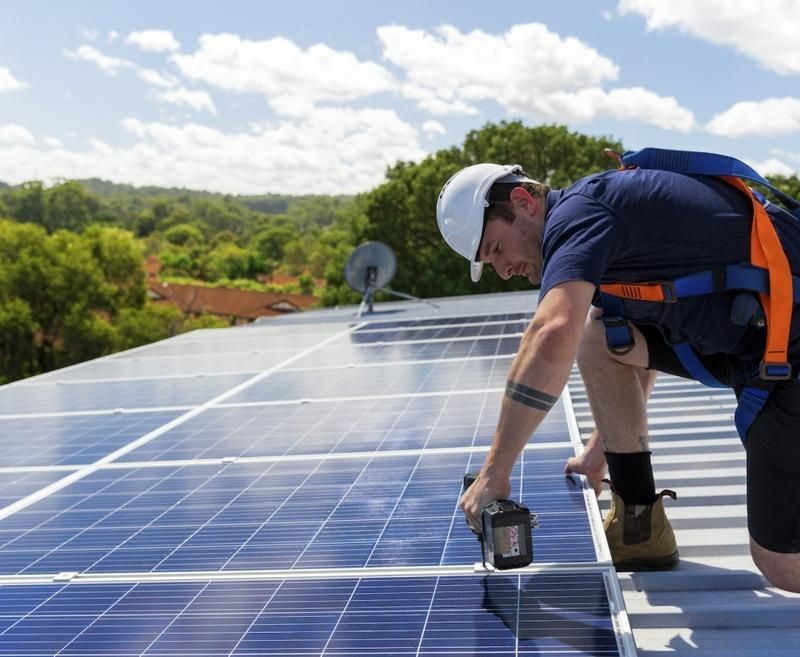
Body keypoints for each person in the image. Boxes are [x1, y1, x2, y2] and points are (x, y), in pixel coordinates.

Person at [435, 156, 800, 592]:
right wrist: (601, 452)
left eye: (496, 249)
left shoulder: (580, 216)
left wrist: (495, 472)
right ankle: (639, 523)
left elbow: (550, 333)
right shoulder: (599, 230)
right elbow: (633, 334)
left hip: (787, 349)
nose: (504, 269)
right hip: (750, 346)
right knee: (601, 331)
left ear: (523, 201)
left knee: (781, 564)